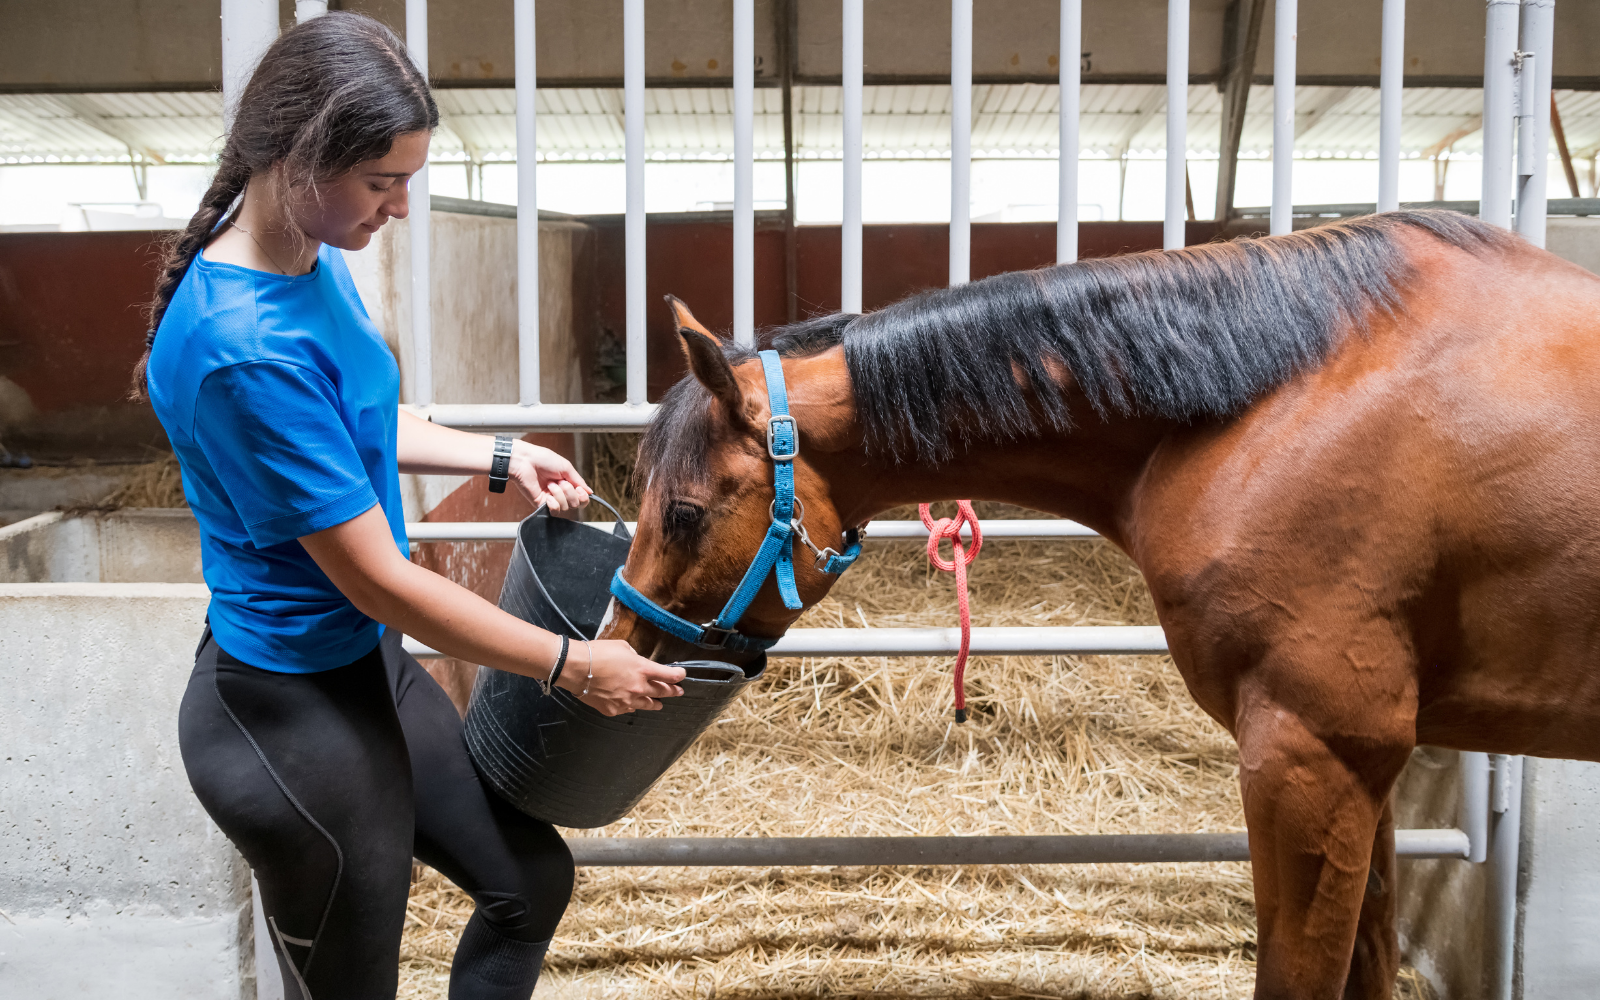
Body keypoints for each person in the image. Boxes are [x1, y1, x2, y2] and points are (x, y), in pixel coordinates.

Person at [136, 13, 685, 1000]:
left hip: (364, 668)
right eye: (380, 182)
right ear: (295, 154)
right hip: (287, 706)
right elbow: (382, 581)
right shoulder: (241, 346)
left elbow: (354, 418)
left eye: (407, 181)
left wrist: (503, 454)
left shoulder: (306, 257)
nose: (397, 207)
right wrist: (573, 665)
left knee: (527, 880)